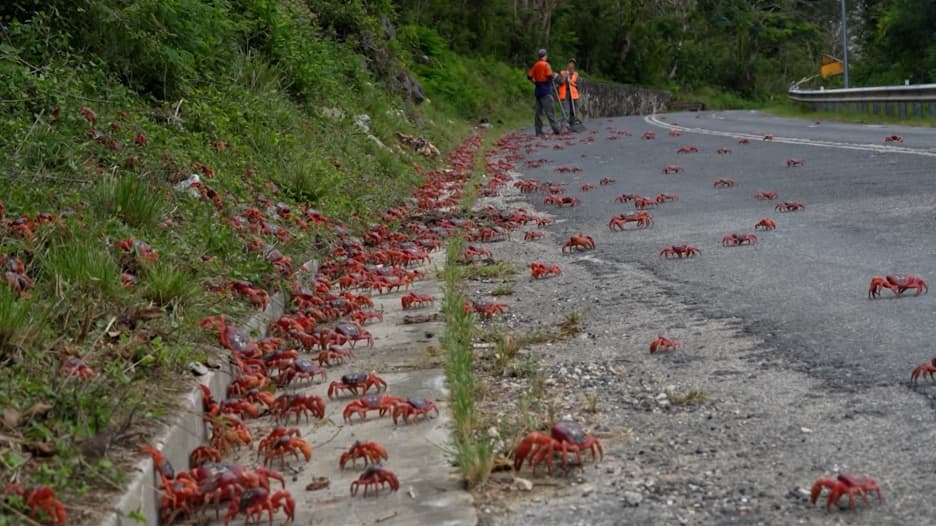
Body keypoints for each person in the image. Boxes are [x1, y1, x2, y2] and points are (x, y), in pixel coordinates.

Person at [527, 49, 561, 136]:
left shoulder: (535, 65)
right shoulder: (546, 65)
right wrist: (554, 76)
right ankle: (556, 130)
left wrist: (535, 82)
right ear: (545, 56)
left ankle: (538, 131)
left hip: (538, 90)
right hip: (546, 90)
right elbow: (549, 76)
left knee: (538, 113)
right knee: (550, 111)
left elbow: (529, 76)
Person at [557, 58, 580, 127]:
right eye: (570, 63)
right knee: (566, 109)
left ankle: (572, 123)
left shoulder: (576, 74)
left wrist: (571, 82)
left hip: (574, 94)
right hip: (565, 93)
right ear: (568, 64)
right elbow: (560, 82)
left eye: (573, 64)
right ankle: (564, 124)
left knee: (574, 110)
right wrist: (565, 77)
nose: (571, 65)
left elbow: (578, 85)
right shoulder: (562, 72)